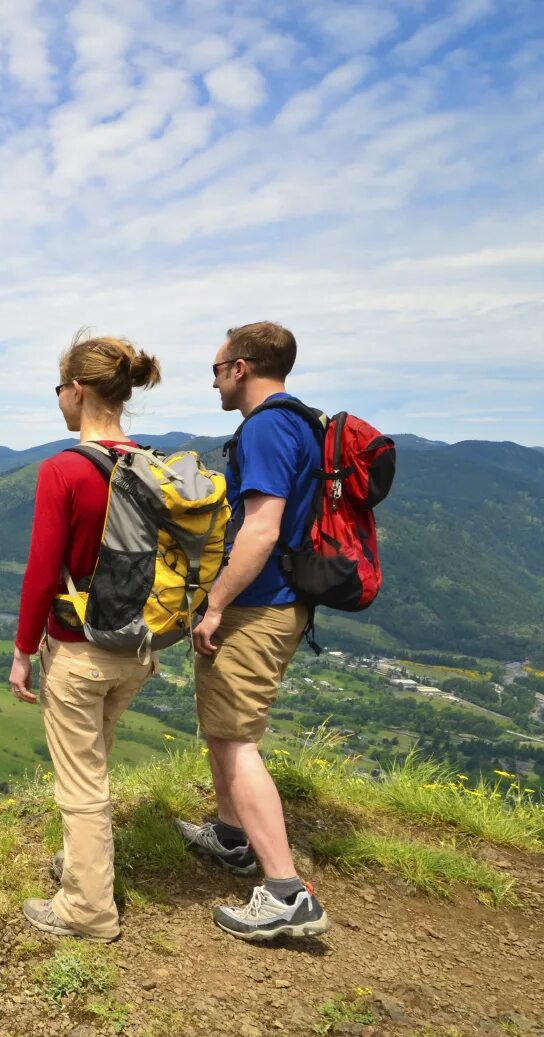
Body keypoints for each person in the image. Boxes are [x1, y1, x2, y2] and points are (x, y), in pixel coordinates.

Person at [180, 321, 331, 941]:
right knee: (223, 727)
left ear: (241, 367)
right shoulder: (301, 421)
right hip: (278, 600)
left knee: (239, 742)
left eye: (216, 369)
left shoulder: (268, 426)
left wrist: (214, 604)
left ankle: (286, 892)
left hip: (258, 604)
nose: (214, 380)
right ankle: (230, 834)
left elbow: (261, 529)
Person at [9, 332, 162, 942]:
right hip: (136, 650)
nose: (60, 400)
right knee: (95, 764)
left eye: (60, 389)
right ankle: (83, 869)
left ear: (76, 391)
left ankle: (88, 911)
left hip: (79, 653)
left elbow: (43, 573)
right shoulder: (150, 464)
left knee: (81, 784)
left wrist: (24, 652)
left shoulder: (65, 470)